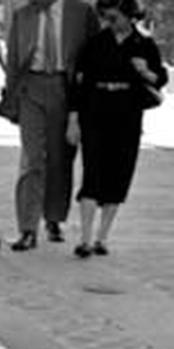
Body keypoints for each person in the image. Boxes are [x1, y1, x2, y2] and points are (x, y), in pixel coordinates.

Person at [69, 0, 168, 258]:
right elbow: (79, 85)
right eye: (105, 18)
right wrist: (74, 118)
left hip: (127, 114)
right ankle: (85, 239)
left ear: (128, 15)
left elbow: (161, 79)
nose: (108, 23)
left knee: (119, 172)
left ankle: (103, 237)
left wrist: (145, 72)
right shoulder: (96, 43)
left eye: (113, 17)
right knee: (93, 172)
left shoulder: (144, 44)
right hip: (96, 111)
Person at [4, 0, 99, 251]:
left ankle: (54, 218)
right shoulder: (23, 14)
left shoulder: (81, 12)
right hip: (30, 88)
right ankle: (27, 227)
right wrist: (11, 100)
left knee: (60, 157)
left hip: (64, 89)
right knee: (32, 158)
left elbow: (94, 54)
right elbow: (13, 58)